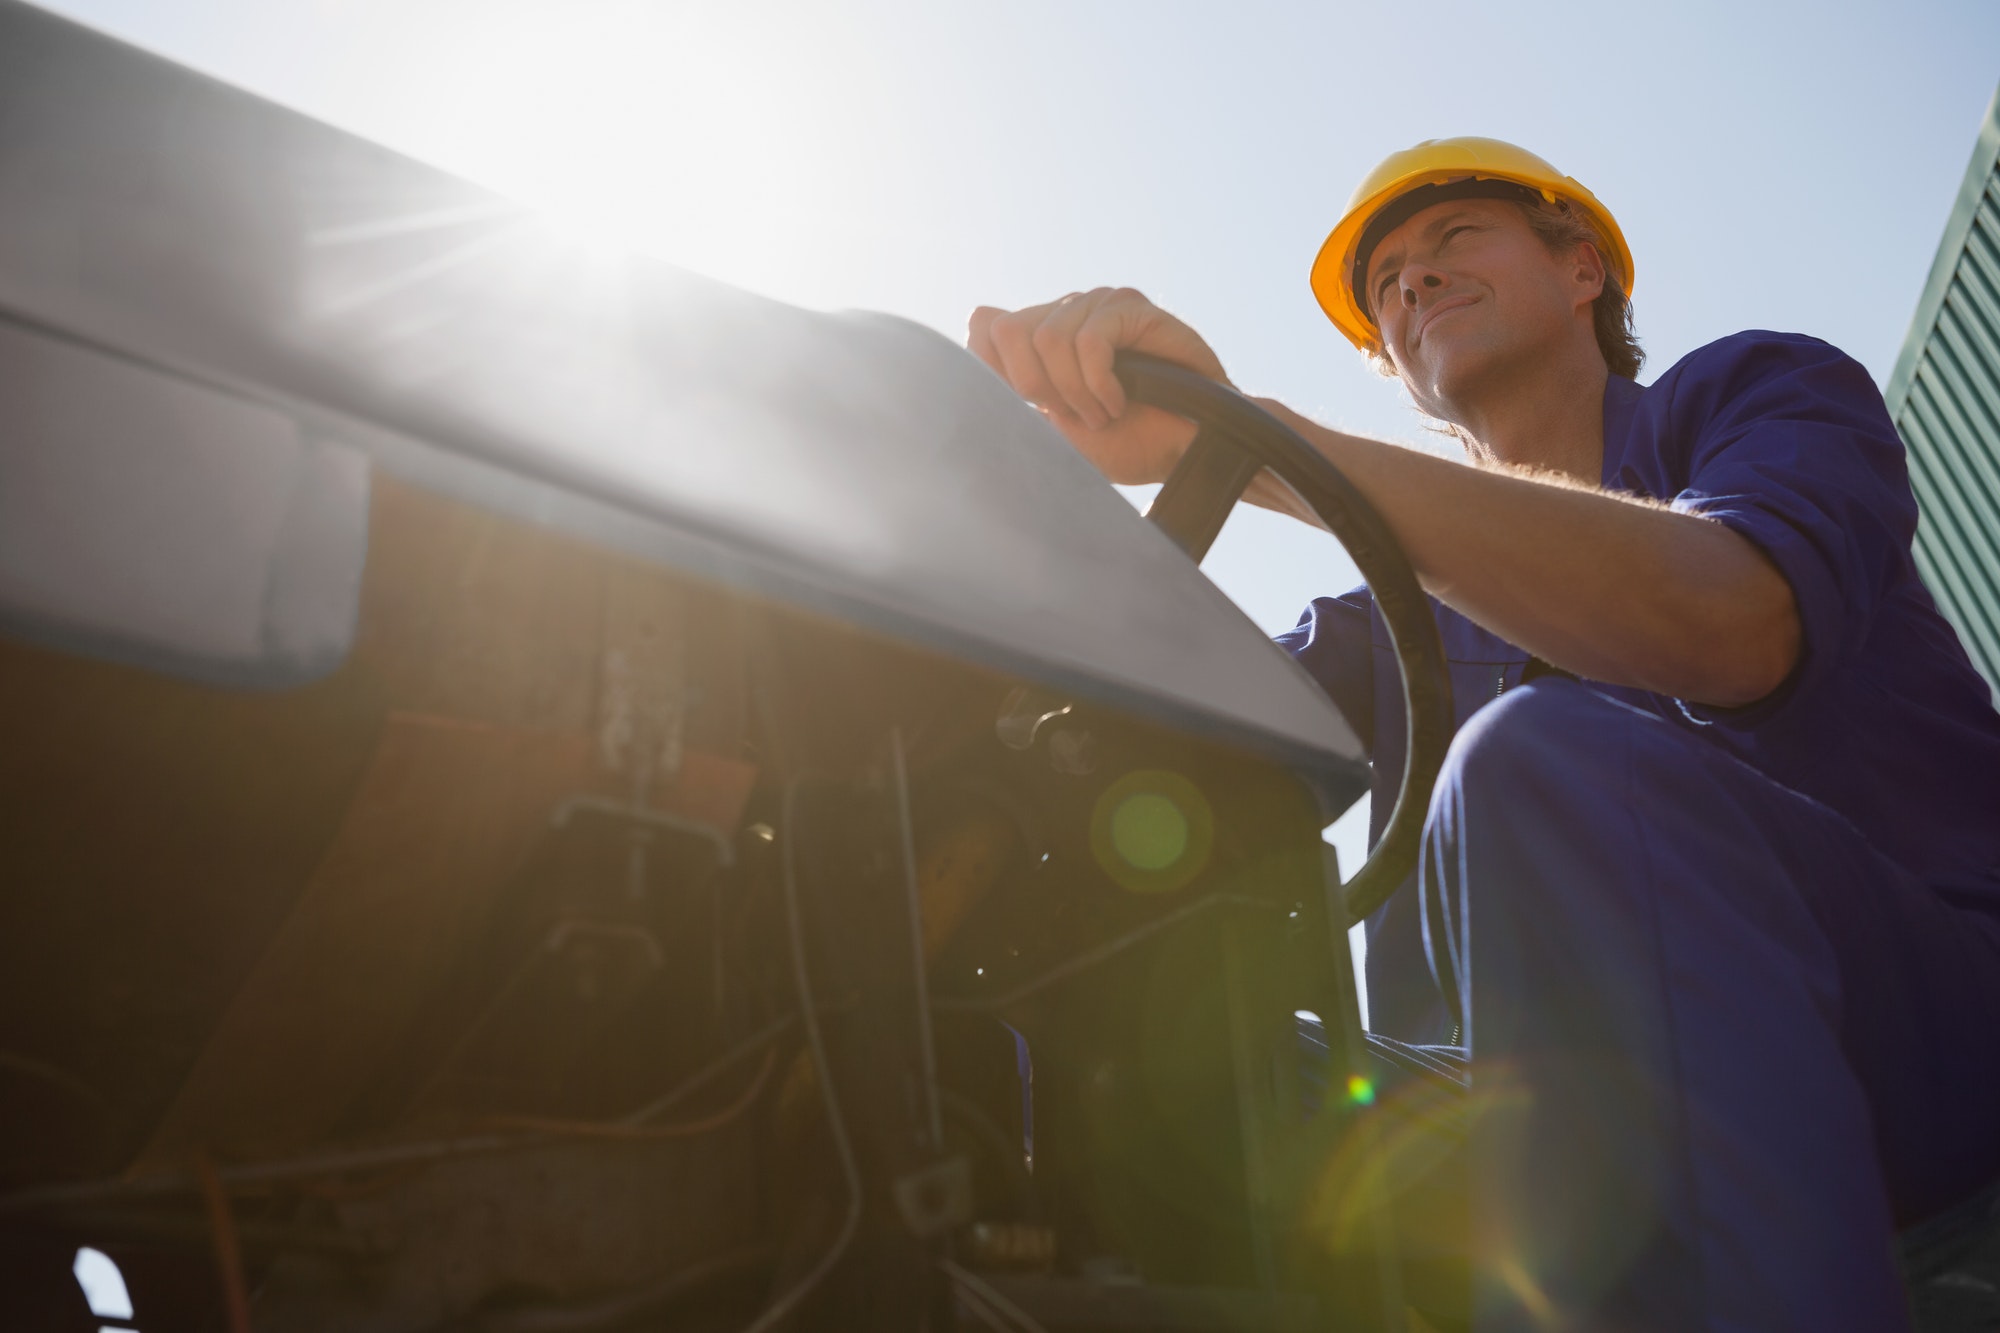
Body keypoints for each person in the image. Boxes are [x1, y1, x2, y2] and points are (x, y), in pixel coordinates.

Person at [968, 137, 2000, 1331]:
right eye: (1386, 283)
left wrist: (1247, 442)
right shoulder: (1377, 628)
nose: (1411, 283)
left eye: (1452, 239)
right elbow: (1128, 779)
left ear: (1581, 273)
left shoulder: (1755, 398)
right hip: (1509, 1123)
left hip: (1920, 1037)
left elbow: (1723, 621)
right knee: (1100, 1031)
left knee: (1541, 761)